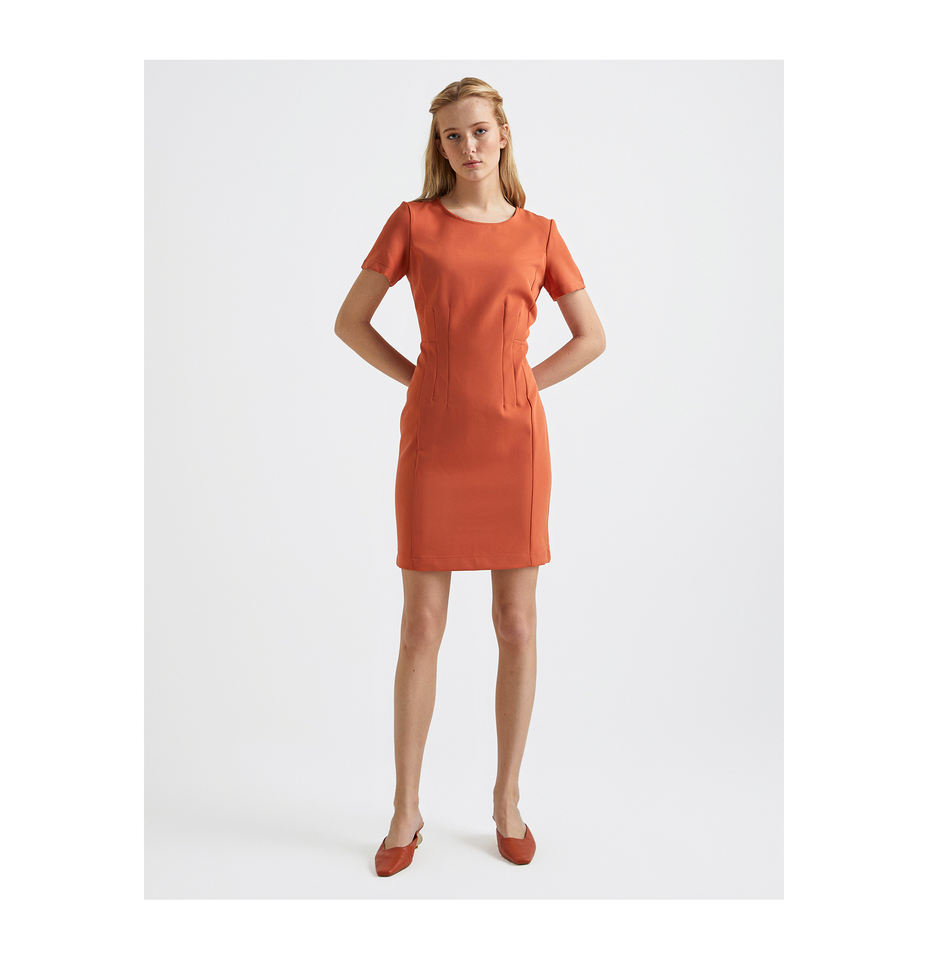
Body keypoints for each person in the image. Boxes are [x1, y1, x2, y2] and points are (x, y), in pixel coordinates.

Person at [335, 77, 606, 876]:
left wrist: (524, 385)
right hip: (435, 446)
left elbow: (591, 336)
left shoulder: (540, 233)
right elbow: (350, 322)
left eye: (479, 131)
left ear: (503, 134)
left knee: (516, 624)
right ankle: (405, 808)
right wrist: (421, 379)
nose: (468, 146)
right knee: (421, 628)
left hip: (515, 448)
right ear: (440, 146)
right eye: (453, 135)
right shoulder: (412, 223)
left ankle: (507, 799)